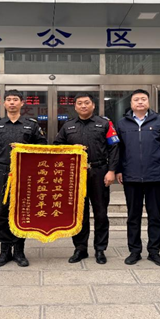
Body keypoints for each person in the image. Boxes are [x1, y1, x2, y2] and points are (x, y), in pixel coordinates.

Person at [54, 93, 119, 265]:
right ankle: (80, 248)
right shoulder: (68, 125)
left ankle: (100, 249)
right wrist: (70, 148)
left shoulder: (104, 124)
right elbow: (56, 146)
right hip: (76, 174)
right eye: (80, 103)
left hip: (99, 171)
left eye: (87, 103)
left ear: (93, 105)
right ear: (75, 106)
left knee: (101, 212)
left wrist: (112, 170)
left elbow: (114, 148)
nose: (83, 106)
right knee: (78, 213)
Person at [0, 90, 47, 267]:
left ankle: (19, 250)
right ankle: (4, 251)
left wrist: (25, 149)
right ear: (4, 103)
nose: (12, 102)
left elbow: (42, 147)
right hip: (2, 172)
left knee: (22, 211)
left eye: (15, 100)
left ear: (22, 103)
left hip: (24, 173)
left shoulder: (31, 125)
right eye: (9, 100)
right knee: (1, 211)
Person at [115, 89, 160, 267]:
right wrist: (118, 169)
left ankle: (154, 252)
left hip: (155, 176)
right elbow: (117, 149)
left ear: (148, 102)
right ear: (131, 103)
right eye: (136, 99)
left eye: (143, 99)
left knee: (155, 216)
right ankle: (134, 251)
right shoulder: (122, 123)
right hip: (131, 176)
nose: (140, 102)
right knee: (133, 216)